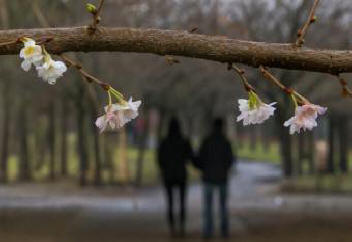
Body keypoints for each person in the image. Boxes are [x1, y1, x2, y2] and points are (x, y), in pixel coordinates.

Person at [196, 118, 234, 239]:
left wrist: (204, 169)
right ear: (222, 126)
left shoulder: (206, 141)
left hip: (208, 178)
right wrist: (225, 169)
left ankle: (208, 231)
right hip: (222, 178)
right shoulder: (225, 142)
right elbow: (230, 159)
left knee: (208, 207)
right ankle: (224, 231)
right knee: (223, 206)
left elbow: (200, 158)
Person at [157, 117, 194, 237]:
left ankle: (172, 229)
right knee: (182, 203)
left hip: (168, 175)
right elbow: (190, 157)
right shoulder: (184, 141)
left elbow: (160, 159)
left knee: (170, 203)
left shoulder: (164, 142)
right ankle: (182, 227)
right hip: (181, 175)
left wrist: (164, 169)